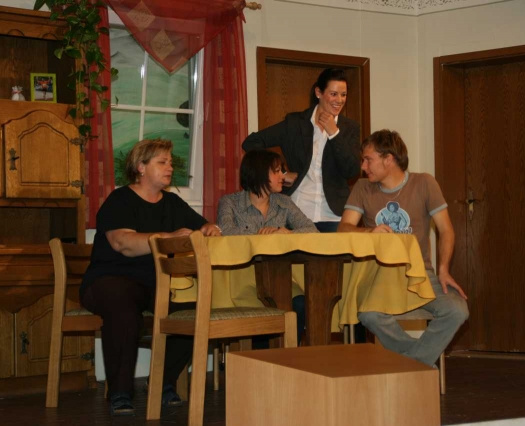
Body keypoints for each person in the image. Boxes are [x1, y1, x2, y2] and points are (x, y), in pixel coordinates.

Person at [80, 139, 221, 416]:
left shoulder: (173, 203)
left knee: (196, 313)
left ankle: (162, 381)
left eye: (170, 162)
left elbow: (201, 226)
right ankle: (120, 392)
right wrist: (166, 237)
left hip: (155, 284)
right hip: (108, 280)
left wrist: (210, 229)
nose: (170, 167)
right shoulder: (120, 200)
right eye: (162, 162)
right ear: (141, 167)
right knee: (123, 308)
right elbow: (123, 243)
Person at [338, 129, 469, 367]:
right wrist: (369, 231)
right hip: (382, 277)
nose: (363, 166)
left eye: (368, 160)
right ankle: (418, 364)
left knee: (457, 310)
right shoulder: (362, 187)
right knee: (368, 315)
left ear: (388, 159)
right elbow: (344, 229)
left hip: (421, 274)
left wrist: (444, 269)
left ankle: (410, 364)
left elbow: (446, 230)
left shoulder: (424, 183)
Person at [242, 68, 361, 233]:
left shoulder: (350, 128)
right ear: (318, 92)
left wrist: (334, 133)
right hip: (297, 212)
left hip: (334, 215)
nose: (339, 100)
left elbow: (352, 170)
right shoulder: (295, 123)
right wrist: (282, 173)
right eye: (334, 94)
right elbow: (251, 142)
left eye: (343, 95)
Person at [217, 149, 318, 344]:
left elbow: (312, 230)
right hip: (243, 282)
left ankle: (287, 355)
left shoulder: (284, 202)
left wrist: (286, 233)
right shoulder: (230, 202)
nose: (283, 176)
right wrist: (261, 237)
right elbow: (226, 232)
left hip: (280, 279)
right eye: (277, 171)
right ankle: (263, 358)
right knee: (264, 312)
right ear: (260, 172)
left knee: (302, 304)